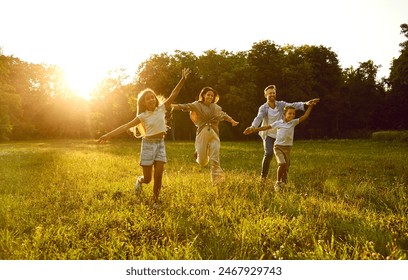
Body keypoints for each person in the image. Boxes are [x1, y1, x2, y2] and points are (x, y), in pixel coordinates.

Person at [97, 68, 191, 207]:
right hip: (147, 146)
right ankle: (139, 181)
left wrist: (182, 79)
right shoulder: (142, 116)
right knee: (148, 179)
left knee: (159, 174)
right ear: (143, 103)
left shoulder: (162, 108)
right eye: (148, 99)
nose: (151, 99)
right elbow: (125, 126)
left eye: (153, 97)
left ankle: (155, 200)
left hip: (160, 144)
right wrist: (107, 135)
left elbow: (173, 94)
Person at [243, 85, 320, 183]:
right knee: (269, 153)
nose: (272, 94)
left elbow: (293, 105)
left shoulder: (281, 104)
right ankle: (263, 177)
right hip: (268, 134)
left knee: (286, 160)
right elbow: (259, 117)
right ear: (265, 95)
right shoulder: (263, 108)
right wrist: (253, 127)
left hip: (280, 135)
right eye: (270, 93)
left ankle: (284, 179)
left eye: (273, 93)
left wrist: (306, 103)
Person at [172, 87, 239, 186]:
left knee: (214, 160)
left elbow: (223, 115)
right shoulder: (197, 105)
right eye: (208, 95)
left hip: (214, 134)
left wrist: (232, 121)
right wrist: (172, 105)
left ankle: (217, 183)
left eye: (212, 95)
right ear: (203, 95)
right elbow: (185, 106)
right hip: (202, 134)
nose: (210, 97)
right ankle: (200, 152)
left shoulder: (216, 107)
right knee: (202, 162)